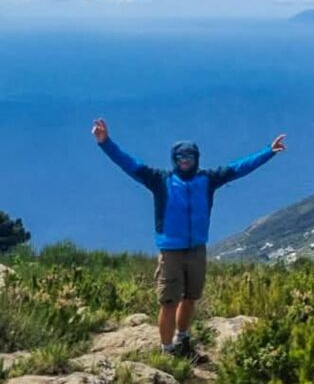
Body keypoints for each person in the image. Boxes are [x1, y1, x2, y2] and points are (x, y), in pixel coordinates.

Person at [91, 118, 285, 358]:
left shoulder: (207, 179)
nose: (185, 161)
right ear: (174, 159)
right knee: (169, 302)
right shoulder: (159, 180)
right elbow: (128, 164)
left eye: (189, 157)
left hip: (196, 249)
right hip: (170, 251)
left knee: (191, 298)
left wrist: (269, 152)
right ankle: (166, 351)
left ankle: (182, 341)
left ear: (196, 158)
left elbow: (238, 168)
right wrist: (105, 142)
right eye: (181, 157)